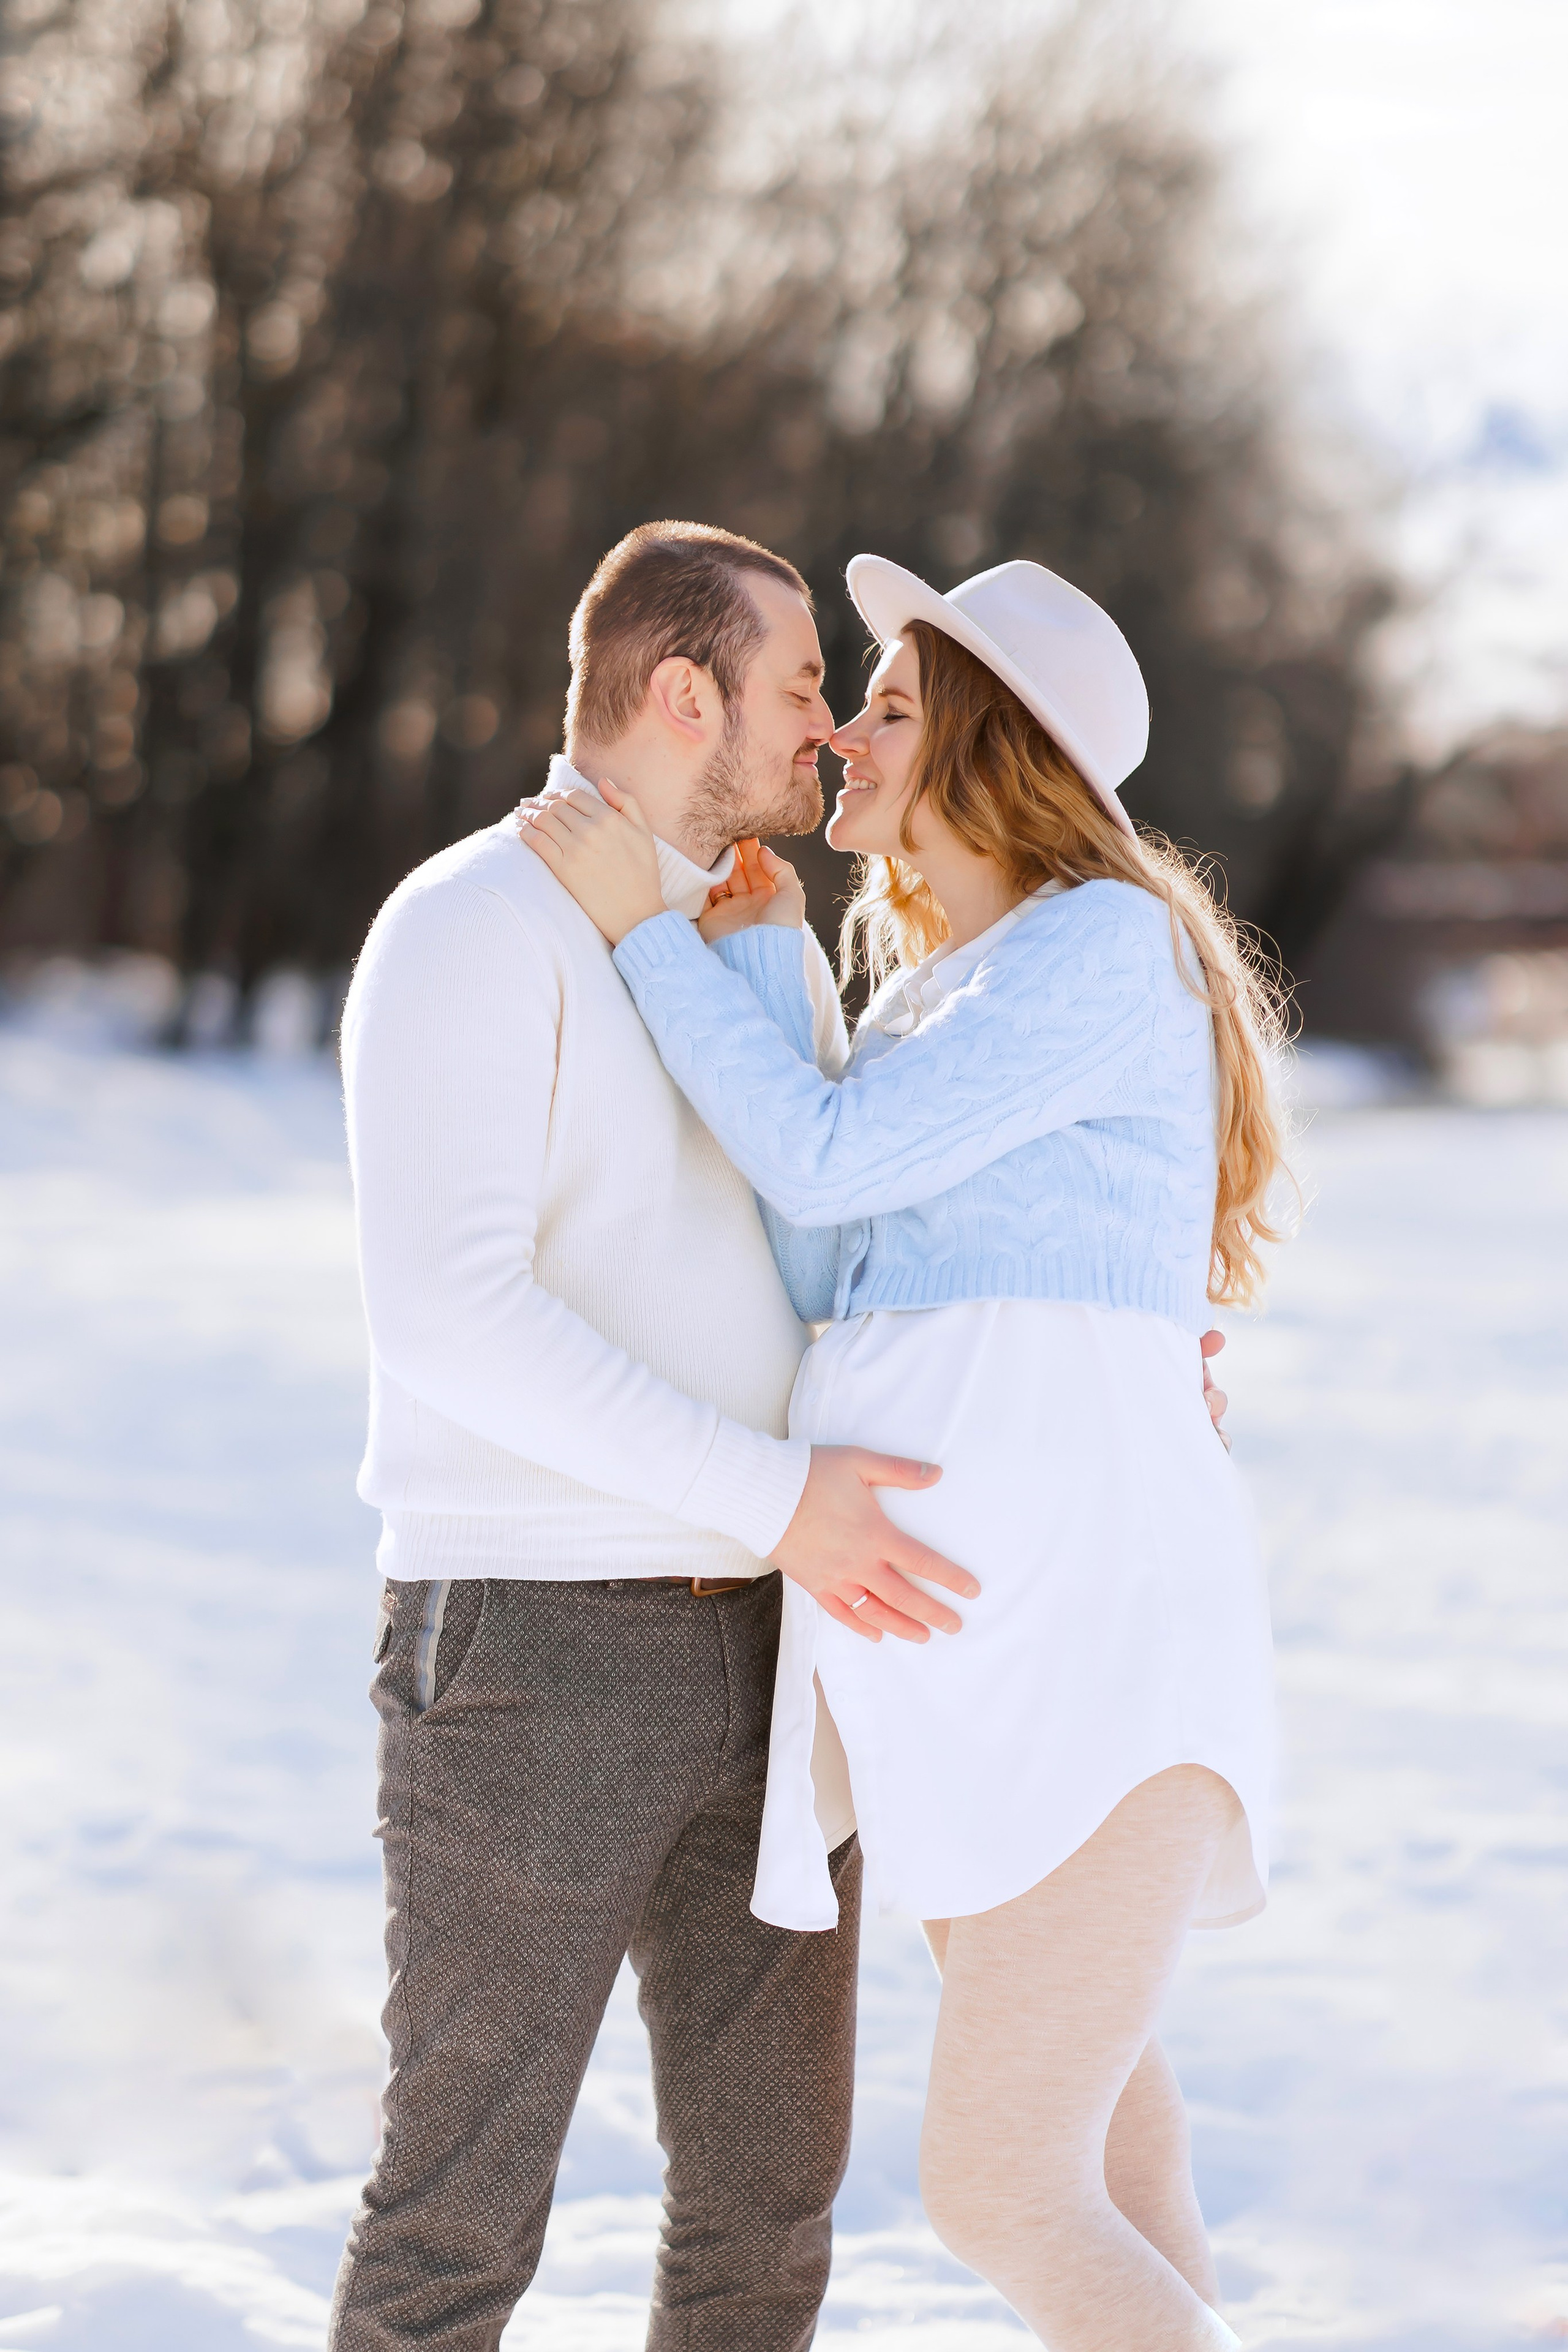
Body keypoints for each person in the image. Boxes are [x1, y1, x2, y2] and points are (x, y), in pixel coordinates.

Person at [520, 551, 1289, 2350]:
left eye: (889, 706)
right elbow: (828, 1276)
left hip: (1088, 1666)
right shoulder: (953, 988)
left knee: (1002, 2191)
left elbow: (830, 1168)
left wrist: (644, 928)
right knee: (1108, 2158)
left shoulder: (1101, 947)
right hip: (970, 1671)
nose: (847, 736)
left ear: (990, 752)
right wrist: (766, 971)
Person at [330, 522, 985, 2352]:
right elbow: (455, 1319)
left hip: (786, 1650)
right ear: (680, 692)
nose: (838, 732)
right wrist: (783, 1501)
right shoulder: (471, 924)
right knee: (459, 2225)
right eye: (800, 689)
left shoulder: (752, 945)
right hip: (540, 1651)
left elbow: (857, 1248)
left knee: (769, 2228)